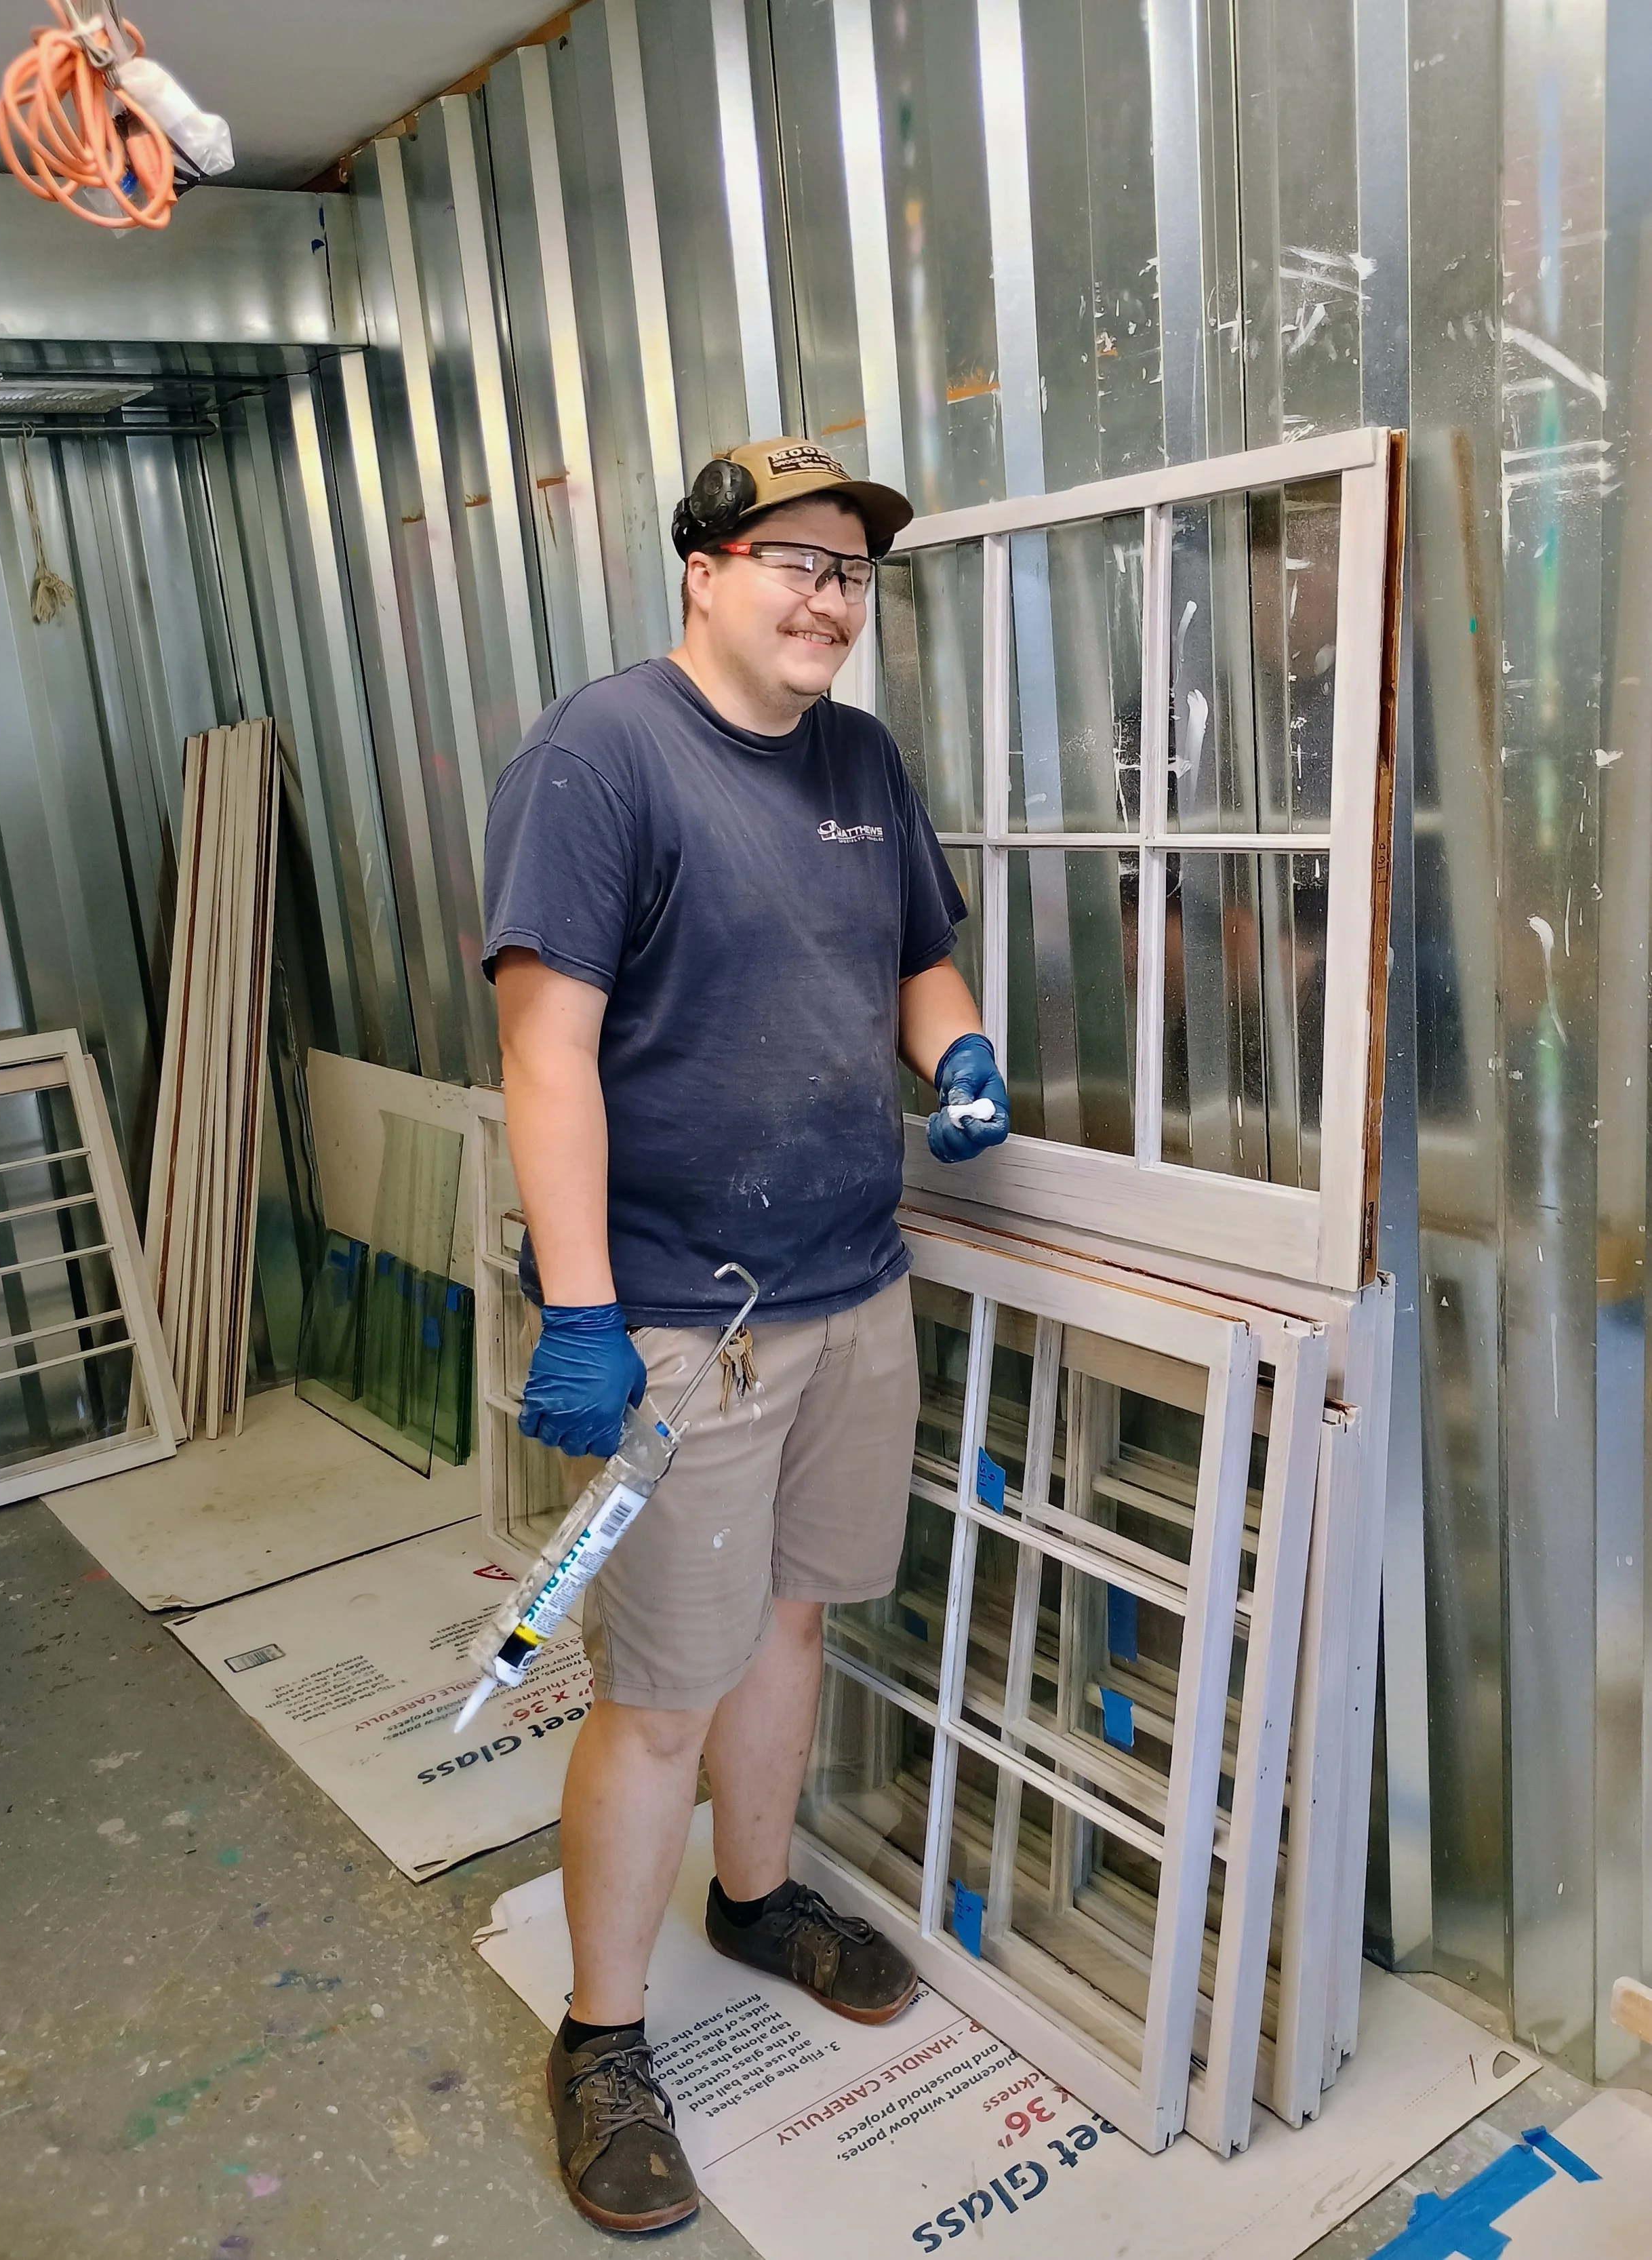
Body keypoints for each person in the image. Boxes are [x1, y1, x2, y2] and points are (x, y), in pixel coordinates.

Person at [481, 437, 1010, 2235]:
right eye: (785, 557)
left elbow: (914, 957)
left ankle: (757, 1892)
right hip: (683, 1329)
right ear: (698, 570)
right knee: (655, 1697)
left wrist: (959, 1055)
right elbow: (545, 1050)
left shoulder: (860, 759)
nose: (822, 595)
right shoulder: (601, 755)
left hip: (851, 1290)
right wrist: (579, 1311)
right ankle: (602, 2034)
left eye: (849, 571)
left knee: (790, 1620)